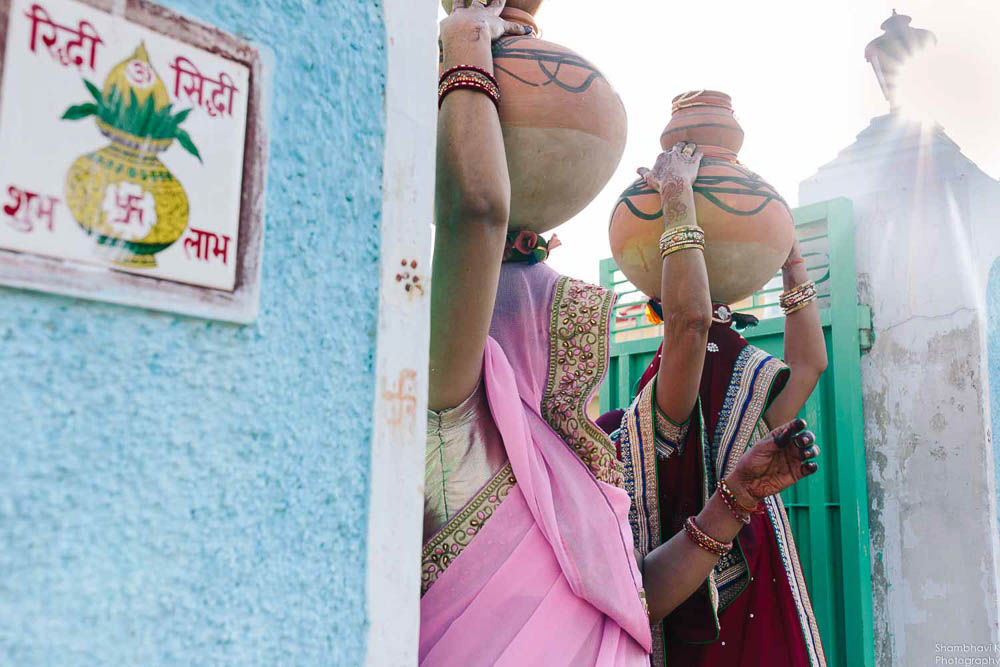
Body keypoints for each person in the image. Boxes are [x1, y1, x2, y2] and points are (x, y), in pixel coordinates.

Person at [421, 2, 823, 665]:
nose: (569, 294)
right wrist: (464, 36)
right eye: (532, 257)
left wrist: (738, 496)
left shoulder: (577, 466)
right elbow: (476, 212)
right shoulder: (451, 425)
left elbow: (636, 595)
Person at [604, 147, 830, 666]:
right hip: (733, 566)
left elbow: (692, 323)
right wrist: (789, 258)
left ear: (651, 302)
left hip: (707, 572)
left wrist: (676, 196)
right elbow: (697, 325)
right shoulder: (697, 389)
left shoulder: (664, 400)